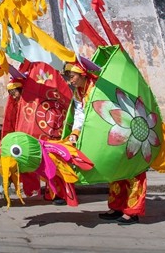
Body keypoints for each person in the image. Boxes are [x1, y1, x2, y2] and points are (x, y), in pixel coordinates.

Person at [63, 60, 147, 225]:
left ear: (83, 74)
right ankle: (117, 207)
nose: (70, 81)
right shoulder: (79, 93)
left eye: (72, 76)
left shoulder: (99, 86)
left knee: (132, 171)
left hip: (124, 130)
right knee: (114, 170)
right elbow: (80, 114)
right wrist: (75, 133)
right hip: (105, 136)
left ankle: (132, 211)